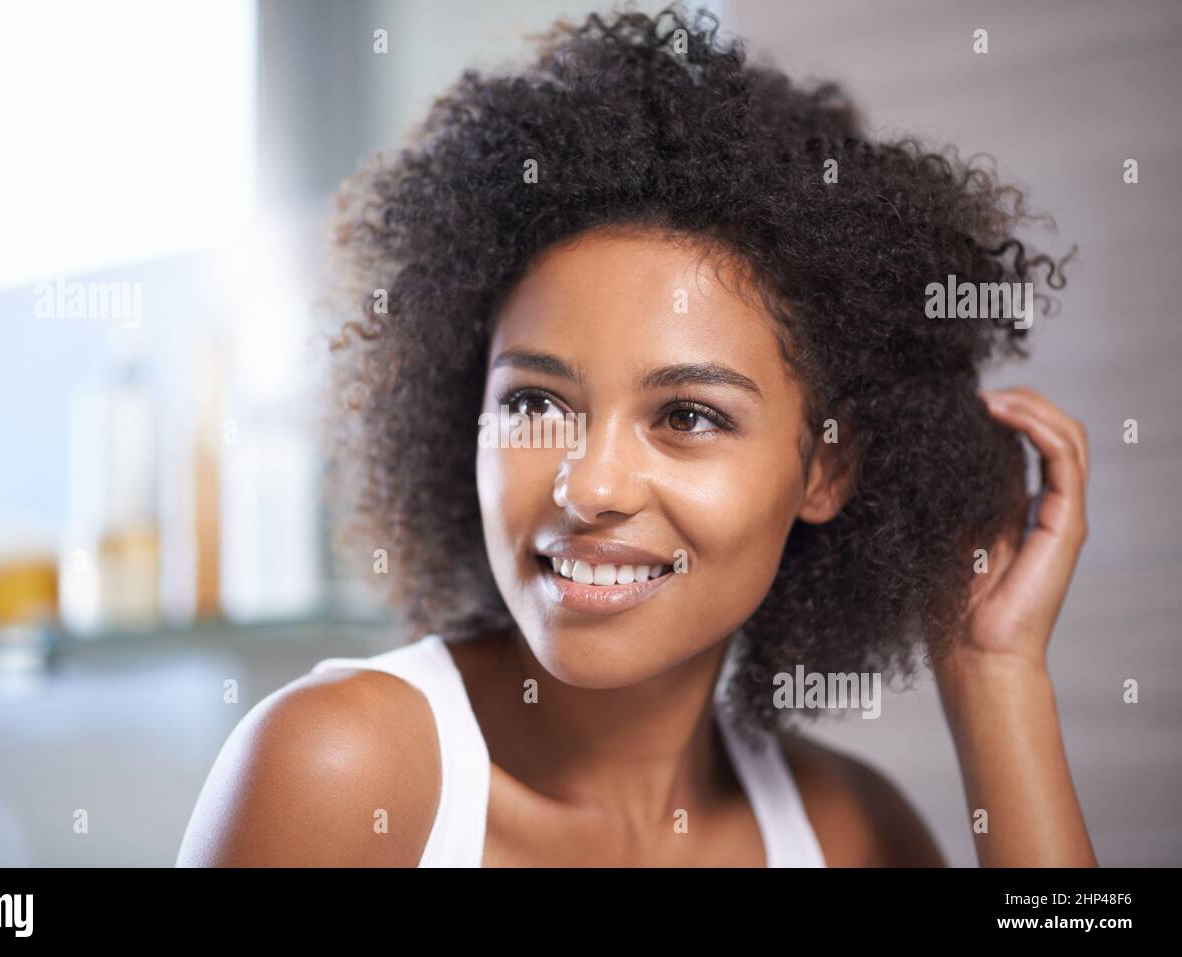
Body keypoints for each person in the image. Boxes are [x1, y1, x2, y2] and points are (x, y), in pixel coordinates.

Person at [177, 4, 1094, 867]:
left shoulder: (846, 832)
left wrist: (992, 671)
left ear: (826, 466)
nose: (590, 485)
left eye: (687, 416)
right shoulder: (343, 771)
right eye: (535, 403)